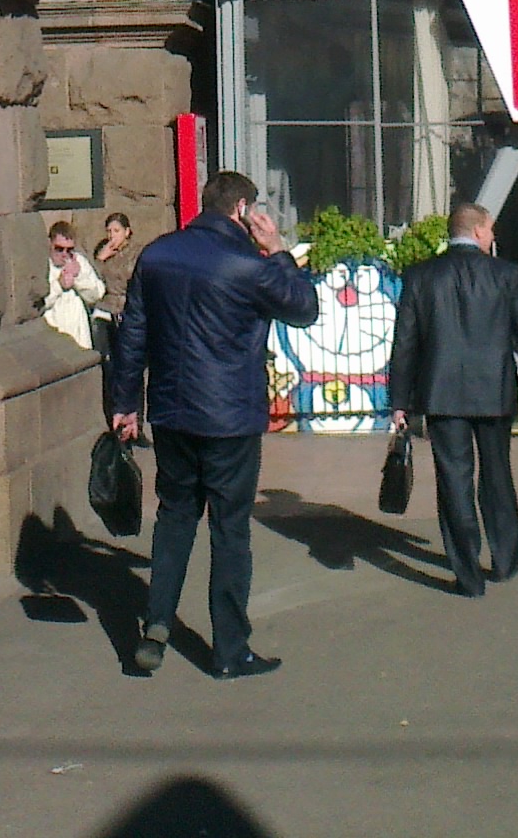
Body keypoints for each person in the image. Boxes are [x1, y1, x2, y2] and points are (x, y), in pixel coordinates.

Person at [108, 172, 318, 678]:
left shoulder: (157, 256)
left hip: (173, 411)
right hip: (229, 415)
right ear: (242, 209)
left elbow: (132, 332)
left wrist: (125, 403)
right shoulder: (249, 266)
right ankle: (229, 650)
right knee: (229, 529)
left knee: (175, 516)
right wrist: (279, 250)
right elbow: (304, 309)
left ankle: (157, 624)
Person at [387, 202, 518, 598]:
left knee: (453, 480)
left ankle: (468, 574)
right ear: (477, 231)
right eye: (491, 229)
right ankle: (505, 559)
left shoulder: (421, 276)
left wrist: (400, 400)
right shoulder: (507, 275)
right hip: (494, 392)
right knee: (497, 474)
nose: (494, 236)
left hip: (441, 394)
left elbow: (405, 342)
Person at [42, 221, 105, 349]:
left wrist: (79, 277)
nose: (64, 254)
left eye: (69, 250)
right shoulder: (41, 265)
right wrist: (58, 285)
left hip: (78, 336)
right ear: (50, 243)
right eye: (59, 249)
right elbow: (38, 304)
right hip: (52, 335)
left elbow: (97, 295)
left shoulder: (79, 261)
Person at [93, 211, 137, 319]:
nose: (112, 235)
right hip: (107, 306)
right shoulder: (102, 251)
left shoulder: (136, 252)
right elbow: (93, 279)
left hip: (128, 306)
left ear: (126, 232)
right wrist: (100, 259)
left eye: (116, 231)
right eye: (109, 231)